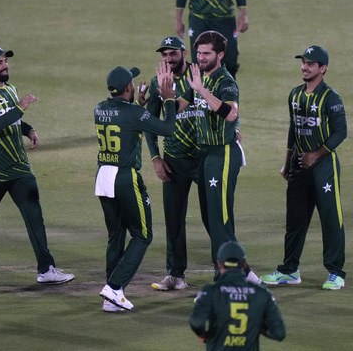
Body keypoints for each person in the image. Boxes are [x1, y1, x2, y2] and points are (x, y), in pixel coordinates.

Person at [0, 46, 74, 285]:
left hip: (19, 168)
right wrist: (20, 108)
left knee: (35, 217)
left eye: (5, 61)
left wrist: (28, 129)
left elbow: (13, 119)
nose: (5, 65)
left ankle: (46, 269)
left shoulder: (10, 89)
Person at [260, 46, 348, 290]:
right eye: (303, 62)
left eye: (310, 63)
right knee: (295, 220)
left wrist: (315, 155)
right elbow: (294, 129)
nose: (304, 67)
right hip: (299, 166)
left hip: (324, 167)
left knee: (330, 219)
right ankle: (289, 270)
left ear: (323, 68)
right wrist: (288, 162)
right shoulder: (295, 94)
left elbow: (341, 132)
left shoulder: (331, 98)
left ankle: (336, 273)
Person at [94, 64, 176, 312]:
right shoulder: (132, 112)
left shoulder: (99, 108)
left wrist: (137, 105)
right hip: (124, 177)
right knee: (142, 235)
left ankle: (111, 297)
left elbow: (125, 121)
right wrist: (168, 100)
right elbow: (167, 129)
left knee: (116, 235)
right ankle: (115, 287)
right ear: (129, 87)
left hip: (103, 176)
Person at [180, 30, 260, 284]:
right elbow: (179, 106)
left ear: (220, 55)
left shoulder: (225, 81)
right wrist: (157, 97)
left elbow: (232, 113)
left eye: (207, 53)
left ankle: (226, 276)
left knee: (219, 218)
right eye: (199, 53)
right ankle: (243, 271)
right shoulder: (199, 78)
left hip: (223, 153)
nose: (201, 58)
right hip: (205, 153)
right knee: (210, 218)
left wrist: (201, 90)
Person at [141, 36, 200, 292]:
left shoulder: (199, 75)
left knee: (214, 219)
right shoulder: (157, 82)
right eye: (164, 55)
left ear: (184, 53)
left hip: (204, 157)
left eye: (172, 53)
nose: (168, 59)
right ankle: (175, 275)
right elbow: (150, 123)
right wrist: (156, 158)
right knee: (173, 219)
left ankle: (229, 271)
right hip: (174, 159)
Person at [190, 241, 286, 349]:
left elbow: (196, 323)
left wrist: (205, 335)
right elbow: (279, 333)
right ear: (244, 264)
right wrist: (258, 326)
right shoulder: (262, 293)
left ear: (219, 264)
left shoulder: (210, 291)